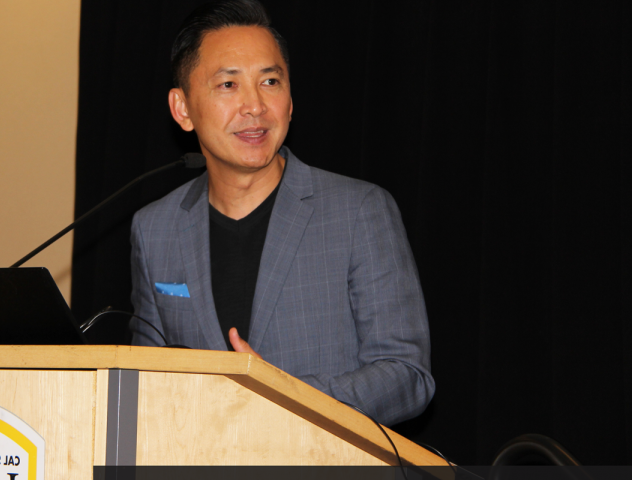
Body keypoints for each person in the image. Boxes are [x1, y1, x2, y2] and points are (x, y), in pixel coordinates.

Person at [129, 0, 434, 426]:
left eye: (270, 81)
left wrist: (284, 396)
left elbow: (407, 376)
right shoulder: (155, 229)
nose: (255, 105)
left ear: (290, 101)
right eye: (228, 85)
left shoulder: (359, 212)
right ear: (182, 109)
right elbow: (147, 380)